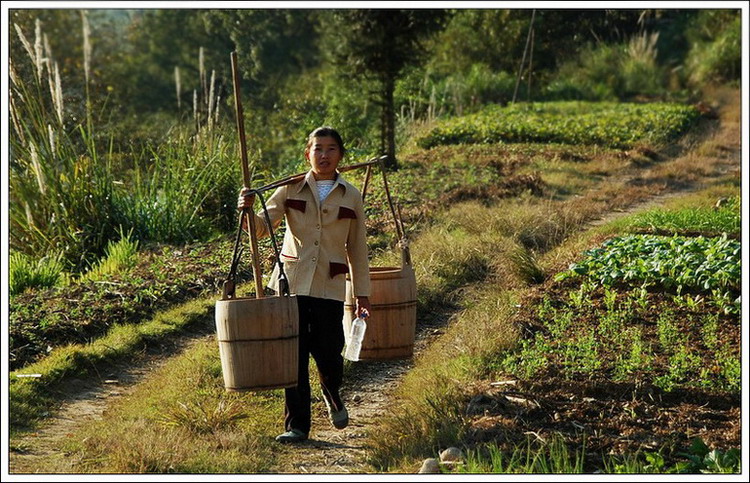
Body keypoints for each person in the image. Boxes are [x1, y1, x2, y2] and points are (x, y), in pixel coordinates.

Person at [237, 126, 371, 443]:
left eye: (331, 149)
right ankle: (297, 426)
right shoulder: (289, 188)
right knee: (293, 357)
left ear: (340, 155)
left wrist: (362, 294)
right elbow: (259, 228)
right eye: (318, 149)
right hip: (291, 286)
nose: (324, 155)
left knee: (329, 354)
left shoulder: (350, 195)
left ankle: (331, 391)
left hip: (330, 286)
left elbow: (358, 249)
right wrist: (245, 210)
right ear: (307, 153)